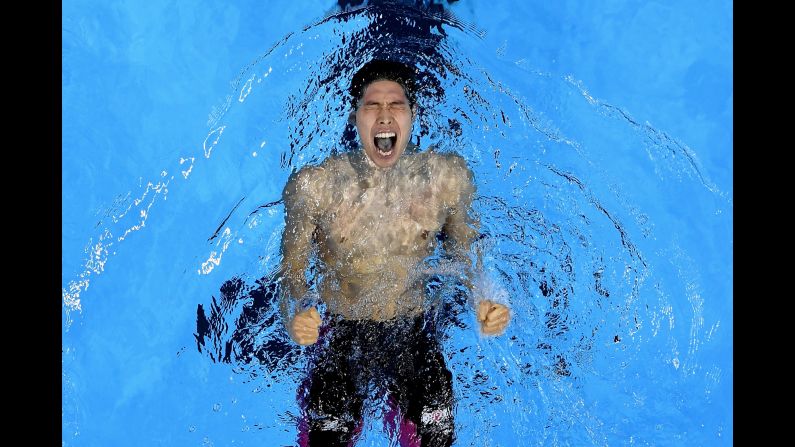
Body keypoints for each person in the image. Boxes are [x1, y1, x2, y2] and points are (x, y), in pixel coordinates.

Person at [280, 59, 510, 447]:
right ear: (356, 117)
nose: (384, 117)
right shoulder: (314, 187)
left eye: (396, 106)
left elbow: (467, 254)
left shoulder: (446, 179)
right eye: (373, 106)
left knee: (436, 431)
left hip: (413, 328)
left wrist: (487, 298)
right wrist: (295, 314)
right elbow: (290, 271)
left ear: (413, 115)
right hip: (341, 332)